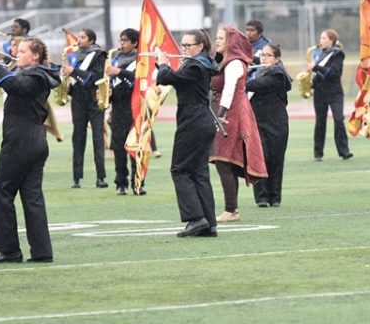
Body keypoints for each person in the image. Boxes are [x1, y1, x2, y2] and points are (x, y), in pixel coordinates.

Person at [0, 37, 60, 263]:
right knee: (31, 195)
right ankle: (42, 251)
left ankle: (9, 250)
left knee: (3, 191)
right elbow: (8, 80)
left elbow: (16, 86)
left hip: (21, 141)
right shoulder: (32, 73)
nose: (17, 52)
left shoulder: (36, 75)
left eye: (23, 50)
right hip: (34, 140)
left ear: (35, 56)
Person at [156, 29, 219, 237]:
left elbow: (166, 78)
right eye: (182, 45)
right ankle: (209, 223)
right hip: (202, 121)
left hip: (193, 123)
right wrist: (165, 66)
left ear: (200, 46)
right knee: (199, 172)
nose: (183, 49)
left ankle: (195, 218)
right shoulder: (203, 64)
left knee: (180, 170)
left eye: (188, 45)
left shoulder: (195, 65)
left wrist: (163, 63)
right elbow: (176, 79)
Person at [210, 26, 267, 223]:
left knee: (223, 160)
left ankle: (231, 210)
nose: (216, 41)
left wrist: (221, 114)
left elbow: (229, 90)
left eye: (221, 38)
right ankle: (231, 208)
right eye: (216, 38)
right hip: (226, 111)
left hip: (232, 113)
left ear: (231, 42)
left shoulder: (234, 63)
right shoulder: (223, 61)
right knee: (224, 161)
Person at [246, 43, 292, 207]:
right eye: (262, 55)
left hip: (277, 123)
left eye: (268, 55)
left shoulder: (278, 73)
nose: (264, 58)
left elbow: (258, 85)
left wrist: (240, 80)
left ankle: (275, 197)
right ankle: (262, 197)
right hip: (258, 122)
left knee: (276, 159)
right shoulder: (256, 71)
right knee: (260, 157)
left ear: (277, 58)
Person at [63, 28, 107, 189]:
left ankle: (101, 177)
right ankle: (76, 177)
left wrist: (73, 71)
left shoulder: (99, 55)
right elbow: (75, 80)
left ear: (91, 41)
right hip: (78, 101)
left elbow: (95, 78)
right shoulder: (75, 55)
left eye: (82, 37)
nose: (78, 39)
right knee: (78, 139)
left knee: (97, 139)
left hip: (95, 100)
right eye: (79, 36)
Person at [105, 28, 141, 195]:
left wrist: (118, 72)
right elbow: (112, 81)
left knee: (135, 147)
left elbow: (138, 79)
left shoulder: (140, 59)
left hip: (134, 108)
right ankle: (121, 182)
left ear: (134, 43)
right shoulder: (116, 58)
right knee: (118, 148)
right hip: (118, 109)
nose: (122, 44)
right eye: (121, 40)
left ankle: (138, 182)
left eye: (126, 41)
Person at [309, 29, 353, 161]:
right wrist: (311, 81)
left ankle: (344, 151)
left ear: (331, 40)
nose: (320, 41)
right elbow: (319, 74)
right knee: (320, 122)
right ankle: (318, 153)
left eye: (323, 38)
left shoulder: (337, 54)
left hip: (335, 92)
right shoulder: (318, 54)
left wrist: (315, 67)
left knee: (339, 119)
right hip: (320, 92)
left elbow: (334, 72)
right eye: (320, 38)